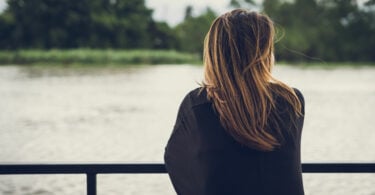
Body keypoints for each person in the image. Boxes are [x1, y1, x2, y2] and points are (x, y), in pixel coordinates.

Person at [164, 9, 305, 195]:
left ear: (215, 54)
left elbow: (175, 160)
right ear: (263, 53)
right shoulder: (290, 100)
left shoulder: (197, 104)